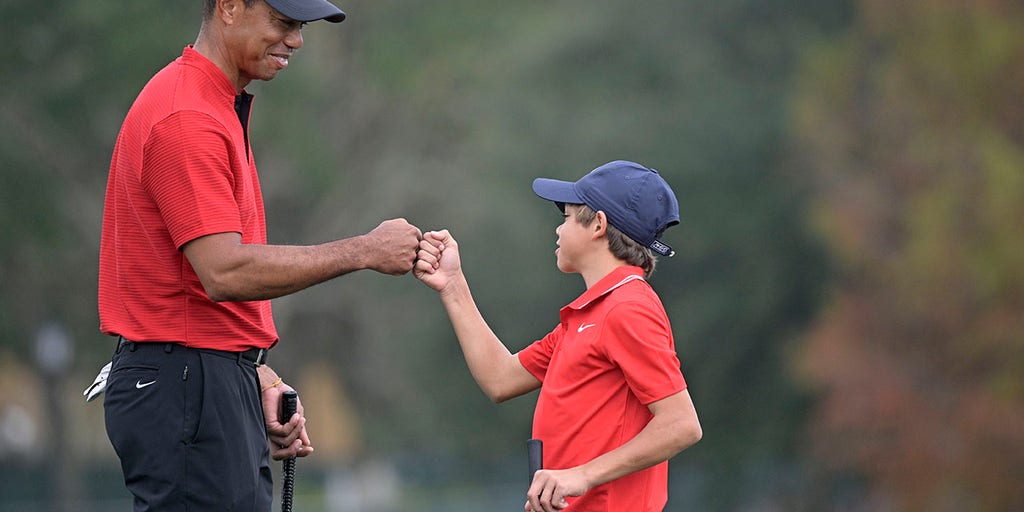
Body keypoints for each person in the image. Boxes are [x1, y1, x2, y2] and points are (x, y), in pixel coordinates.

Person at [94, 0, 421, 510]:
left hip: (200, 377)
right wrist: (364, 250)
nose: (296, 40)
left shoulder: (212, 102)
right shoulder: (187, 116)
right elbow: (222, 272)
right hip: (186, 384)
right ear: (228, 7)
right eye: (284, 23)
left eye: (300, 27)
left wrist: (254, 372)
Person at [415, 160, 703, 512]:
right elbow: (500, 379)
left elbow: (681, 424)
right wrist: (453, 285)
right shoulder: (590, 313)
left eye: (566, 217)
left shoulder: (628, 307)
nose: (557, 230)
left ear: (598, 225)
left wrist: (580, 475)